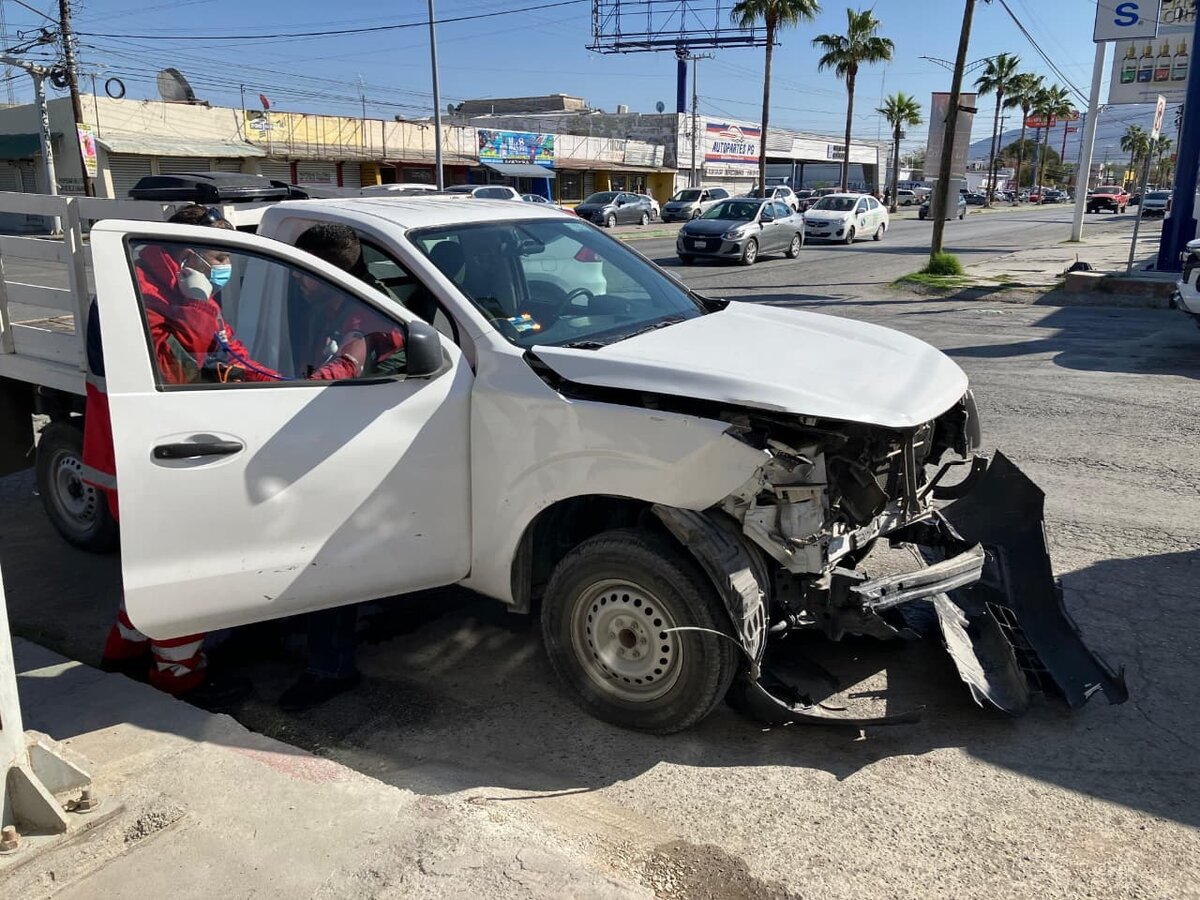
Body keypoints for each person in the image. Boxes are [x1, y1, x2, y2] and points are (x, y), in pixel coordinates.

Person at [90, 206, 369, 708]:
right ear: (187, 255)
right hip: (144, 459)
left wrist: (296, 387)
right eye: (219, 258)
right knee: (183, 575)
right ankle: (179, 676)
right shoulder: (137, 294)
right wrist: (197, 303)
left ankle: (124, 651)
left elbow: (231, 356)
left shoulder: (181, 291)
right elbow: (175, 368)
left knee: (156, 569)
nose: (225, 270)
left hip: (163, 451)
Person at [277, 223, 404, 712]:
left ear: (323, 272)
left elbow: (352, 358)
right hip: (322, 436)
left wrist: (298, 390)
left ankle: (331, 666)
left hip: (347, 442)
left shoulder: (365, 312)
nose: (297, 281)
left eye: (303, 273)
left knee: (324, 554)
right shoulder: (326, 302)